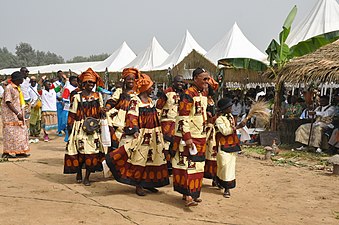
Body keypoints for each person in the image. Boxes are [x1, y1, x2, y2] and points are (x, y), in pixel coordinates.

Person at [105, 73, 169, 196]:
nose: (152, 88)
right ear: (145, 88)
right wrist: (134, 130)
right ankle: (138, 185)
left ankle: (149, 183)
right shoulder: (136, 100)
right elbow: (132, 115)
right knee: (140, 159)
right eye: (151, 86)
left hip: (153, 135)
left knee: (153, 159)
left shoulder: (150, 101)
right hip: (142, 134)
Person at [171, 67, 209, 207]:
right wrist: (187, 137)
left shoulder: (204, 93)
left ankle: (193, 193)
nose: (207, 81)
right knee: (187, 165)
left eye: (207, 78)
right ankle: (187, 195)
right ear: (195, 79)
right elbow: (183, 117)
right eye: (204, 79)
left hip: (201, 135)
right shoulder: (187, 94)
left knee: (198, 166)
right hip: (189, 136)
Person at [64, 68, 106, 186]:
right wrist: (70, 129)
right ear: (83, 83)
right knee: (80, 152)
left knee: (92, 152)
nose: (91, 85)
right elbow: (72, 113)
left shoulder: (98, 96)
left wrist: (103, 111)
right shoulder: (77, 97)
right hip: (79, 127)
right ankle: (78, 173)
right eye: (88, 82)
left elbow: (101, 109)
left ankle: (87, 177)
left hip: (93, 128)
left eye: (92, 83)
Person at [215, 98, 245, 198]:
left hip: (233, 144)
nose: (231, 108)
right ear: (224, 109)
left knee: (230, 167)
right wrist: (237, 127)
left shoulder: (230, 117)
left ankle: (227, 188)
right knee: (223, 165)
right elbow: (225, 131)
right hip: (223, 145)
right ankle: (221, 182)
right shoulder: (219, 120)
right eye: (229, 107)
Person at [156, 75, 185, 175]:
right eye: (178, 82)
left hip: (179, 121)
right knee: (166, 144)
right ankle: (166, 166)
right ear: (173, 82)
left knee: (177, 144)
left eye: (182, 82)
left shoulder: (184, 94)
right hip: (167, 121)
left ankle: (174, 166)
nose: (180, 84)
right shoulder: (167, 92)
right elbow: (159, 106)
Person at [106, 68, 140, 151]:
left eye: (133, 79)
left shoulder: (137, 93)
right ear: (125, 80)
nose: (131, 81)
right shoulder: (120, 91)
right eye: (129, 79)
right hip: (119, 121)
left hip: (133, 120)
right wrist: (107, 108)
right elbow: (112, 101)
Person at [1, 71, 30, 158]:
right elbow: (8, 102)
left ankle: (20, 151)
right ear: (17, 79)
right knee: (10, 133)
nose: (22, 80)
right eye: (21, 78)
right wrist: (17, 113)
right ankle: (7, 152)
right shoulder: (9, 88)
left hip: (18, 113)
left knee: (21, 132)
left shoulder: (18, 88)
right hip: (10, 115)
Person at [204, 76, 219, 186]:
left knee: (213, 153)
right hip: (204, 128)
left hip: (212, 128)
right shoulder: (202, 99)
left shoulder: (211, 100)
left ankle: (215, 177)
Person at [61, 76, 78, 142]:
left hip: (76, 109)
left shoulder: (78, 88)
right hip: (68, 109)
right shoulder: (68, 89)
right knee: (68, 125)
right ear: (71, 81)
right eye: (74, 81)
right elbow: (64, 98)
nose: (76, 82)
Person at [55, 70, 67, 136]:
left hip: (65, 102)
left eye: (62, 74)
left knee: (65, 117)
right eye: (59, 74)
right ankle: (59, 130)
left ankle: (65, 129)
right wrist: (59, 98)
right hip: (58, 102)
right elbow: (54, 91)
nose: (61, 76)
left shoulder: (67, 83)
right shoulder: (55, 83)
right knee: (59, 117)